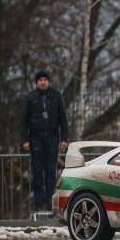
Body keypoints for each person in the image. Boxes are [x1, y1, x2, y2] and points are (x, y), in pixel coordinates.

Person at [20, 71, 69, 212]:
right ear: (36, 82)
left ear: (48, 81)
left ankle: (50, 201)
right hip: (36, 138)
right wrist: (25, 140)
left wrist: (64, 139)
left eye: (45, 79)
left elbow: (63, 119)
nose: (43, 82)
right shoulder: (30, 97)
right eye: (40, 80)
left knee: (50, 171)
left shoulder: (56, 96)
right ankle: (39, 202)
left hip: (52, 138)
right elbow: (24, 121)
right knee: (37, 170)